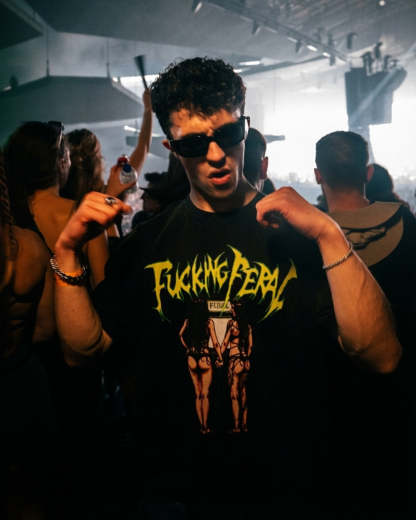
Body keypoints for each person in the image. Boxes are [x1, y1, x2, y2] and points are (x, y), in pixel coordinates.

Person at [52, 58, 400, 514]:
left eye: (230, 134)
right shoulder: (146, 245)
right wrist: (66, 251)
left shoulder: (303, 235)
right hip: (175, 491)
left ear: (245, 127)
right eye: (195, 143)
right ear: (172, 147)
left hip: (288, 488)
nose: (216, 155)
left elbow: (381, 355)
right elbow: (83, 352)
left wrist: (331, 234)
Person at [314, 130, 415, 510]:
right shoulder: (408, 225)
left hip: (329, 406)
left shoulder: (304, 237)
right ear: (368, 172)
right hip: (399, 399)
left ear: (318, 175)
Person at [179, 300, 223, 434]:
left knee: (197, 394)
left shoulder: (188, 321)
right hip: (205, 357)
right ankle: (206, 425)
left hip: (191, 357)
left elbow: (180, 335)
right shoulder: (208, 322)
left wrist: (187, 348)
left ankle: (201, 427)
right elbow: (215, 343)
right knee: (205, 394)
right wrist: (220, 358)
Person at [221, 302, 252, 433]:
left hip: (235, 361)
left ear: (237, 310)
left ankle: (236, 426)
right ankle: (245, 425)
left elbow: (224, 343)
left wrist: (219, 357)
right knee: (243, 392)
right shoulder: (247, 326)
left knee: (234, 395)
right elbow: (250, 346)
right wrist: (246, 357)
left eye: (232, 308)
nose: (230, 310)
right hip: (245, 362)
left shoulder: (231, 324)